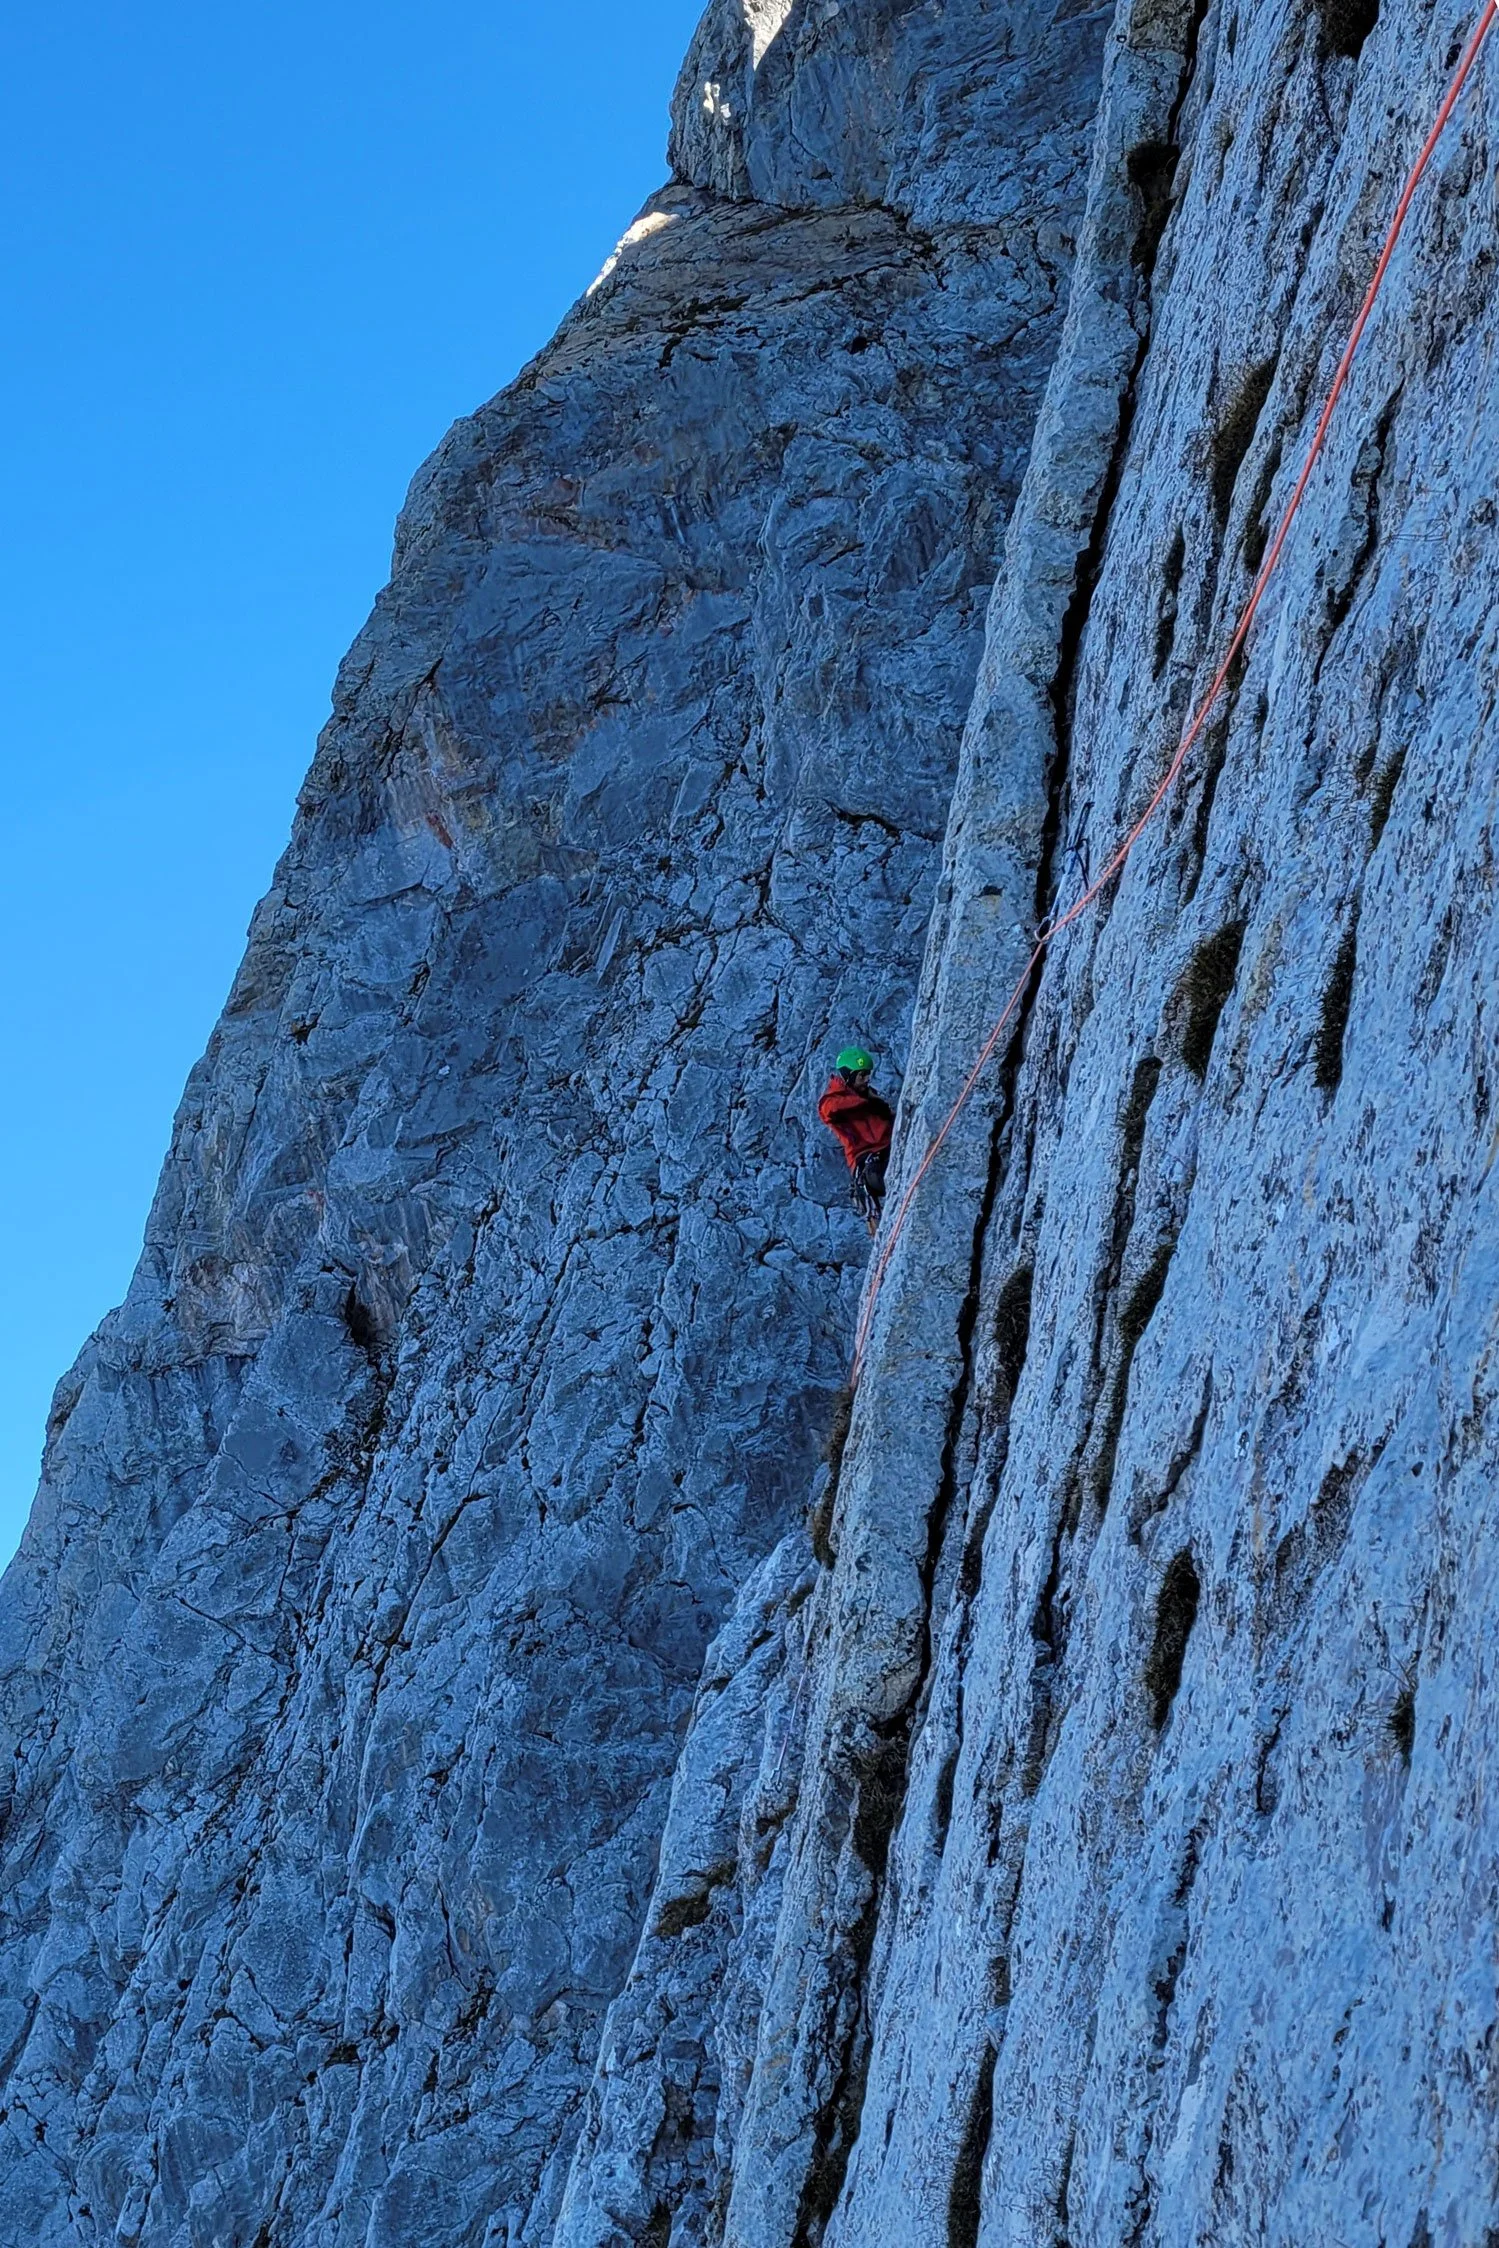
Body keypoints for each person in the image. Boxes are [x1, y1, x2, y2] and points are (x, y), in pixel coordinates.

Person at [818, 1047, 895, 1231]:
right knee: (877, 1179)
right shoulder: (832, 1101)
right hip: (865, 1160)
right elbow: (830, 1110)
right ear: (849, 1076)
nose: (867, 1079)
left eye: (867, 1074)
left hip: (888, 1149)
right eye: (862, 1075)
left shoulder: (868, 1095)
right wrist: (866, 1103)